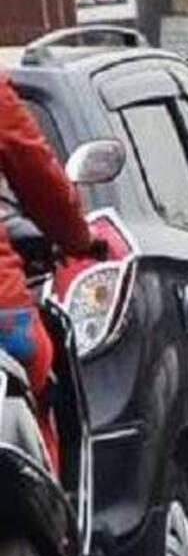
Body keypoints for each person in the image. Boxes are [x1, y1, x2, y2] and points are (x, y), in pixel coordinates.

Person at [0, 73, 97, 466]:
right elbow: (43, 182)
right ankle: (51, 520)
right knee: (33, 375)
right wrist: (79, 239)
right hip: (5, 317)